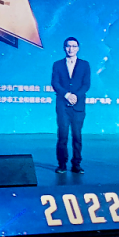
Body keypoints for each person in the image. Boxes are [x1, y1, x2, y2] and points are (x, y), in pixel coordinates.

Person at [51, 37, 91, 174]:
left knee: (77, 136)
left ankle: (76, 164)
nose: (71, 49)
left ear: (78, 48)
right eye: (68, 46)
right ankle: (62, 164)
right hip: (63, 106)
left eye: (74, 46)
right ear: (64, 48)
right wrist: (67, 95)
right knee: (62, 136)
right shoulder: (57, 64)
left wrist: (75, 96)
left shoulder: (85, 65)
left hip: (78, 107)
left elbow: (86, 84)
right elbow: (55, 83)